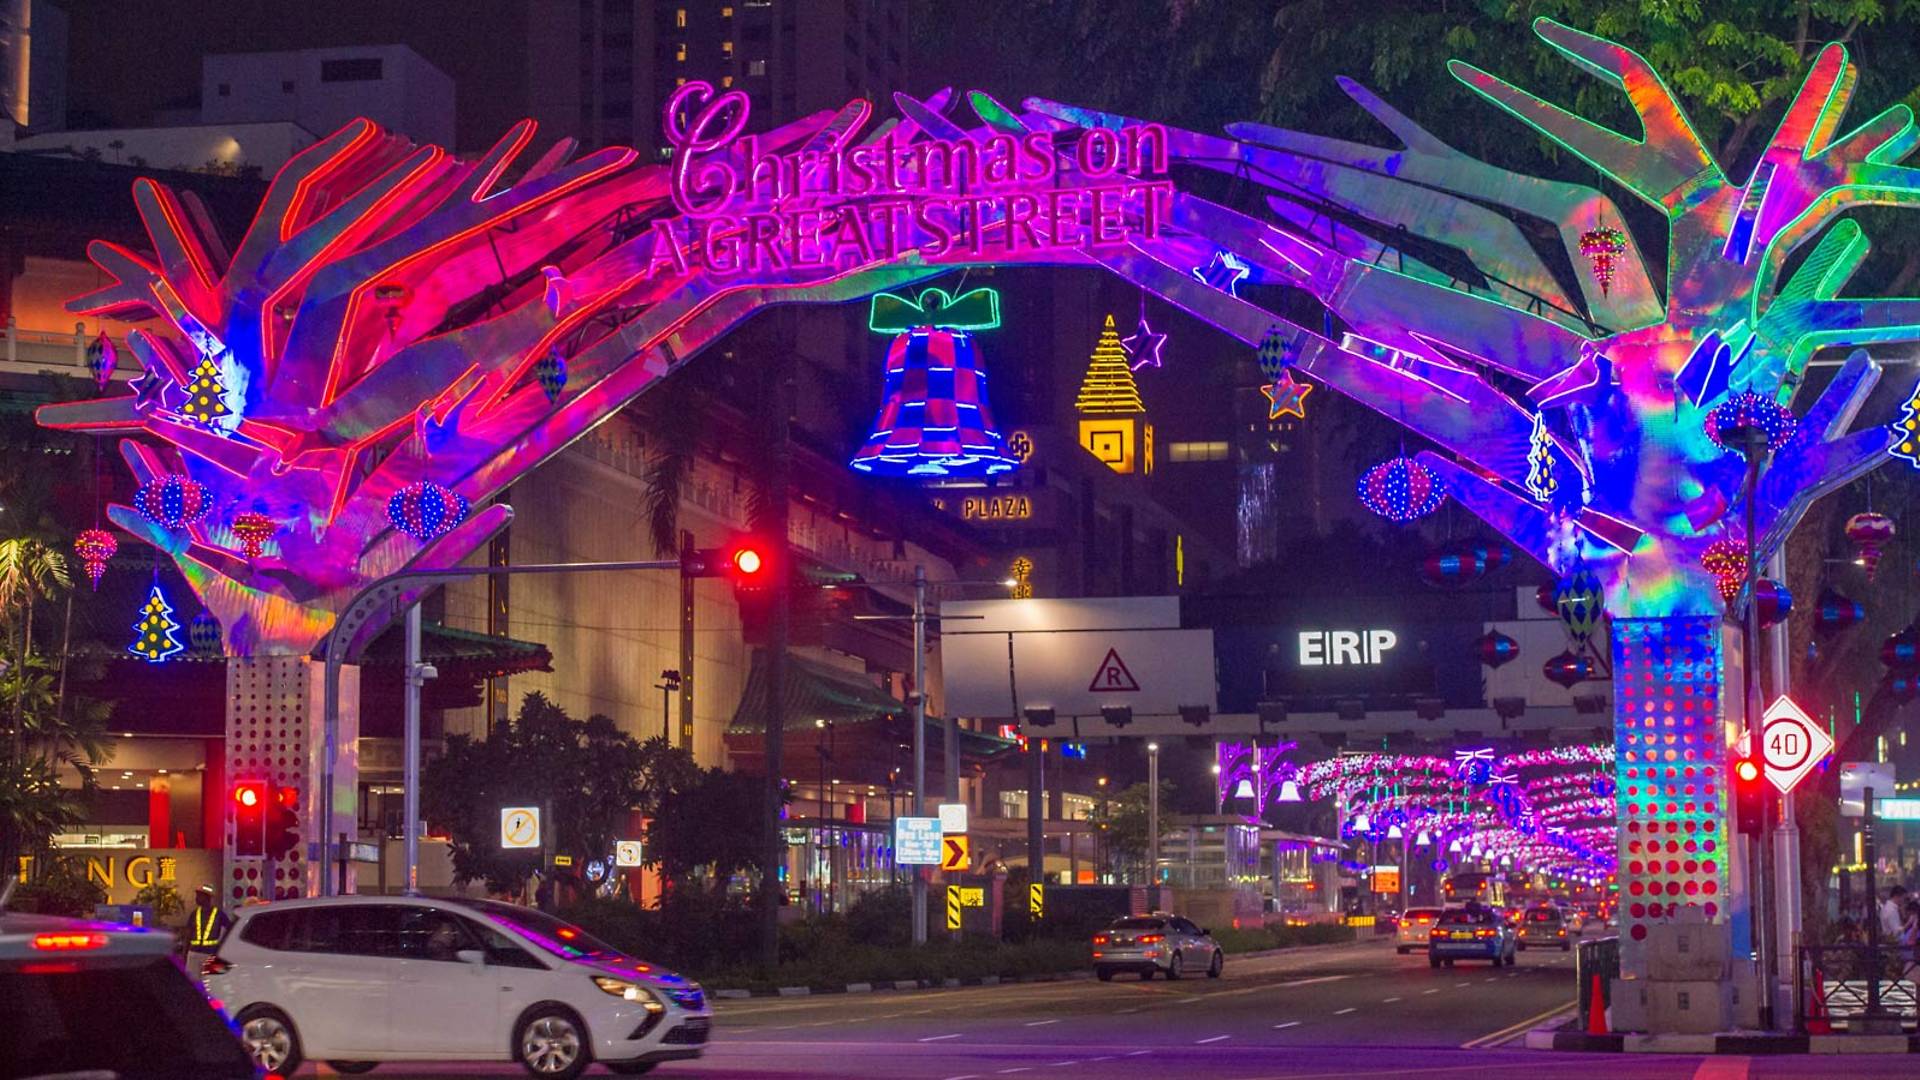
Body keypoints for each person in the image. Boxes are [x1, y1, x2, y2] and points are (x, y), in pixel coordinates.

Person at [186, 885, 231, 969]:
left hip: (210, 954)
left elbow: (229, 931)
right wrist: (185, 953)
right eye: (197, 895)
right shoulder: (194, 914)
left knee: (210, 981)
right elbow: (188, 934)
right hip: (194, 953)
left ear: (207, 897)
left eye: (200, 895)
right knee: (192, 981)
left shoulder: (219, 914)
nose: (197, 898)